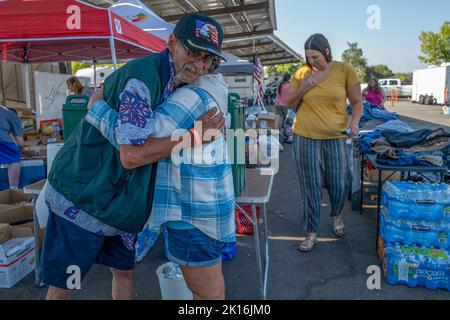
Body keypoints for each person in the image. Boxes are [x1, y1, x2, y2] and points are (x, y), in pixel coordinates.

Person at [40, 13, 226, 300]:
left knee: (124, 272)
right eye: (193, 52)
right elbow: (132, 156)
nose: (199, 65)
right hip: (84, 198)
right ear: (172, 43)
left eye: (208, 59)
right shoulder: (143, 78)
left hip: (118, 207)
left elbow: (103, 101)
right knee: (69, 280)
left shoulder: (175, 81)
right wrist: (196, 136)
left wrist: (98, 108)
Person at [87, 54, 234, 300]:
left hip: (191, 214)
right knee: (211, 289)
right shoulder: (214, 90)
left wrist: (98, 108)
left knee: (206, 293)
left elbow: (136, 143)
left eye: (203, 59)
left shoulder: (191, 96)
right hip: (208, 209)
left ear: (208, 65)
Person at [285, 34, 363, 252]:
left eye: (316, 57)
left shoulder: (344, 70)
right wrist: (303, 87)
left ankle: (336, 215)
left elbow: (357, 101)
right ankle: (311, 232)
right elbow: (288, 104)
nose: (312, 62)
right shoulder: (302, 73)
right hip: (304, 136)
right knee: (310, 187)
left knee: (340, 182)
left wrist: (355, 122)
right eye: (308, 57)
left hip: (337, 136)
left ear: (327, 52)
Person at [0, 106, 24, 190]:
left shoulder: (3, 112)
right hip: (2, 140)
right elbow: (20, 141)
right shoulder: (14, 117)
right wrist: (21, 148)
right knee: (14, 157)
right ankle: (13, 189)